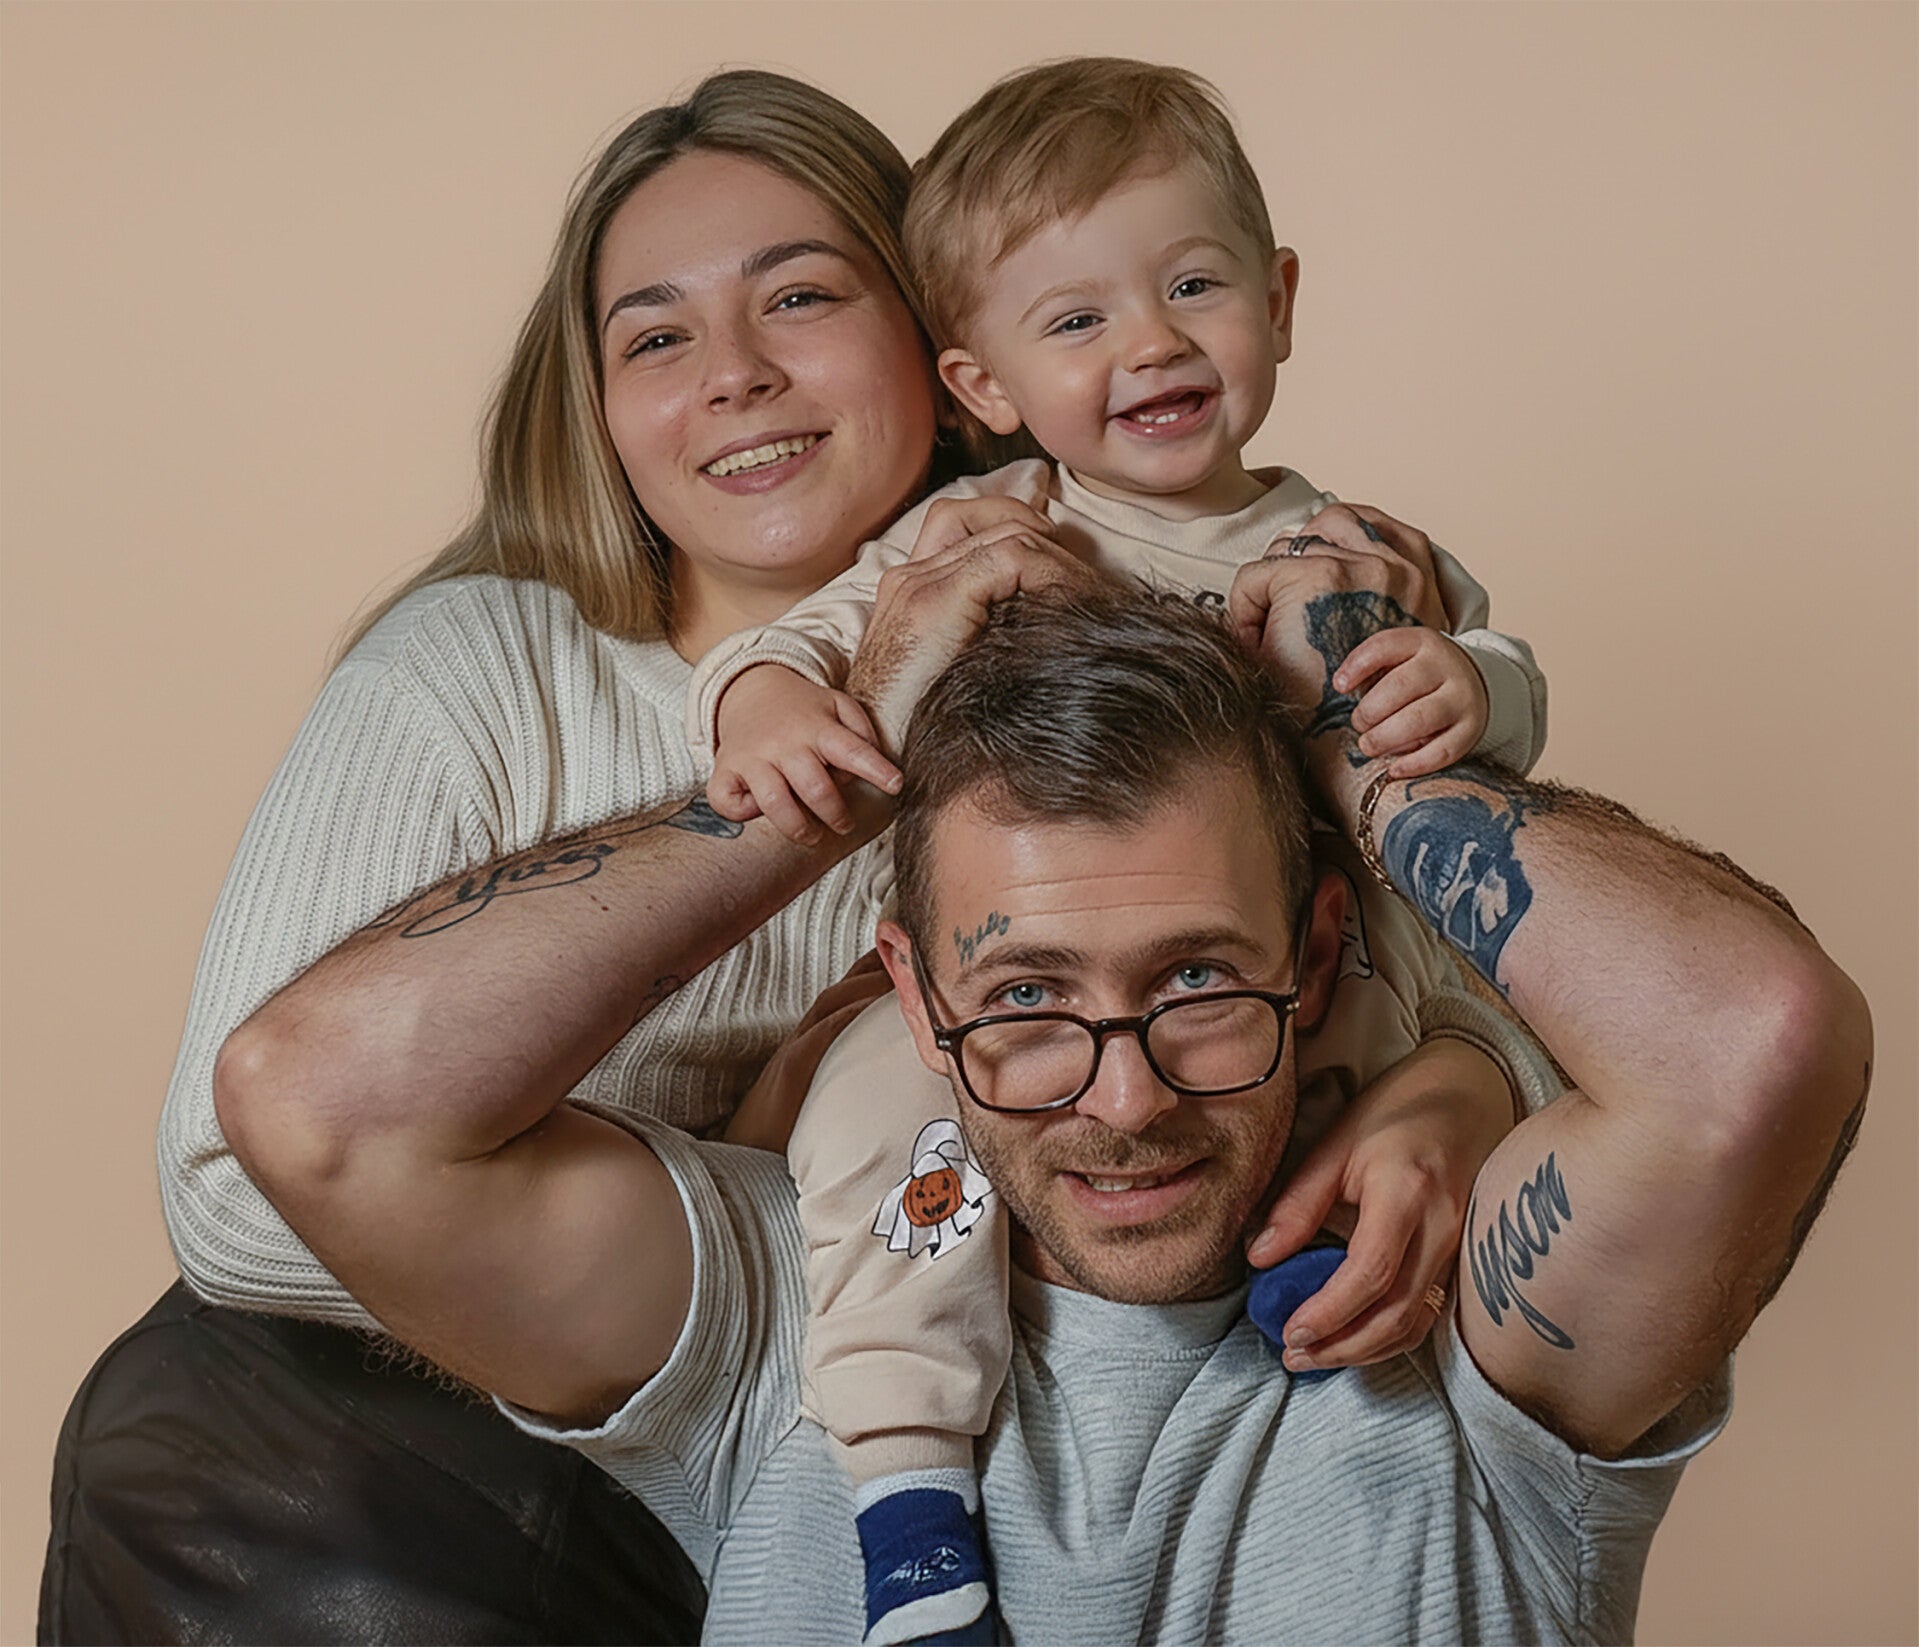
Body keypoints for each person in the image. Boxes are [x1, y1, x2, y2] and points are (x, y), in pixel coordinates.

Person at [45, 67, 1495, 1644]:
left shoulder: (1139, 614)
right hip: (530, 1441)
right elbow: (244, 1189)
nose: (734, 375)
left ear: (955, 350)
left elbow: (1432, 960)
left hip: (1001, 1348)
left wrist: (1465, 1082)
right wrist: (777, 1161)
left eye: (798, 298)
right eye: (656, 337)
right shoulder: (474, 671)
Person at [463, 580, 1860, 1644]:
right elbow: (352, 1118)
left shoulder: (1461, 1317)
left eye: (1198, 978)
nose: (1126, 1102)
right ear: (917, 998)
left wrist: (1349, 748)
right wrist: (824, 781)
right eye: (1025, 995)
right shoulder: (799, 1300)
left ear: (1319, 953)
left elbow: (1753, 1041)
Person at [682, 58, 1550, 1642]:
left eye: (1194, 287)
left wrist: (1463, 682)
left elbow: (1504, 689)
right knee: (879, 1117)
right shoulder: (992, 530)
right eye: (1077, 320)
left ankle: (1314, 1282)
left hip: (1282, 969)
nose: (1150, 342)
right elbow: (799, 651)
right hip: (1008, 992)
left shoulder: (1350, 546)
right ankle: (906, 1488)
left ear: (1279, 301)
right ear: (984, 384)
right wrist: (764, 706)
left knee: (1398, 1052)